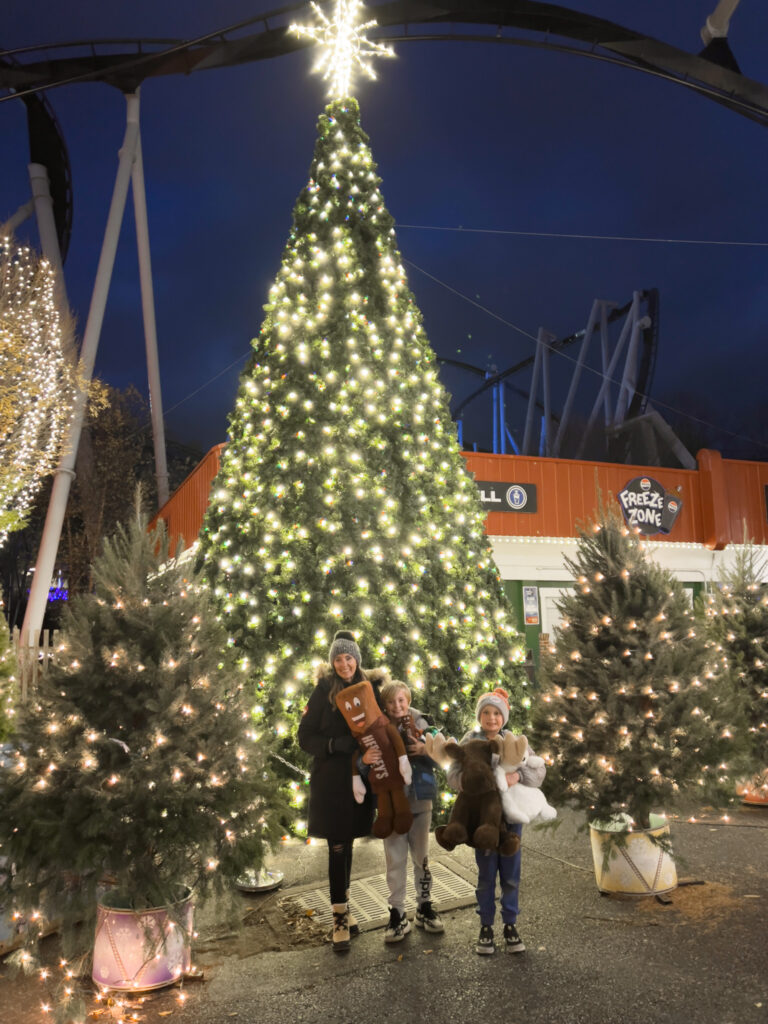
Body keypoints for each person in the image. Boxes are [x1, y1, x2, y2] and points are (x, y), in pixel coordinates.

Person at [297, 629, 388, 952]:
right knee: (337, 848)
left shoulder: (372, 689)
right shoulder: (323, 691)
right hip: (332, 784)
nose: (344, 664)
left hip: (362, 779)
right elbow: (304, 737)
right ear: (332, 662)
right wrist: (336, 744)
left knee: (348, 845)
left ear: (357, 659)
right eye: (338, 659)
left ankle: (345, 908)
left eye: (349, 658)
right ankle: (339, 918)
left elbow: (385, 725)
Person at [446, 687, 545, 956]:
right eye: (486, 713)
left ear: (504, 717)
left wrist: (518, 777)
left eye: (496, 713)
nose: (491, 718)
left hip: (511, 819)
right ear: (480, 716)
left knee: (511, 875)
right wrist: (472, 782)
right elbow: (452, 774)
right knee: (486, 874)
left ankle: (510, 924)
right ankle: (486, 925)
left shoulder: (513, 741)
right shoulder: (469, 741)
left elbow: (538, 771)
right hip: (483, 823)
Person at [373, 680, 445, 943]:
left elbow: (446, 752)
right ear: (384, 705)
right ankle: (397, 912)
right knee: (395, 860)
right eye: (391, 702)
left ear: (409, 699)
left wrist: (426, 750)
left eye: (401, 700)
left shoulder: (424, 723)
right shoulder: (378, 726)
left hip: (420, 799)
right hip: (391, 805)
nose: (397, 706)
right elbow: (365, 757)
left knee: (421, 857)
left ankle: (424, 905)